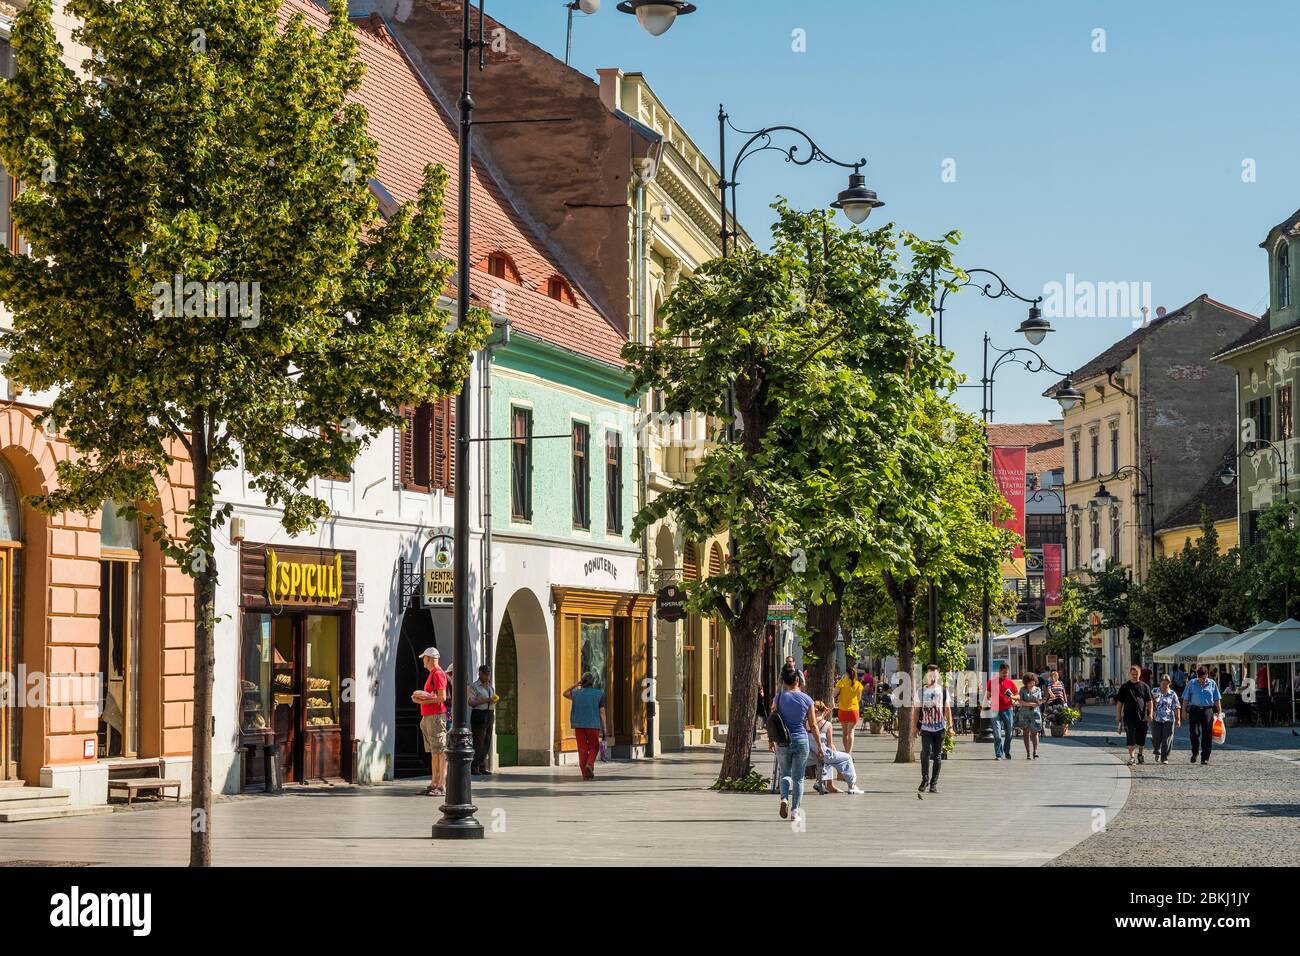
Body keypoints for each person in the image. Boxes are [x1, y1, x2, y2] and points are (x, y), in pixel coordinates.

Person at [769, 664, 823, 821]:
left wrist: (772, 740)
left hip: (783, 740)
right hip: (800, 739)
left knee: (784, 773)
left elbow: (773, 720)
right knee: (798, 778)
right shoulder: (807, 699)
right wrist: (819, 746)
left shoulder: (778, 698)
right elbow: (813, 725)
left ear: (784, 681)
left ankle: (784, 798)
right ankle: (794, 812)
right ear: (798, 680)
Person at [410, 647, 448, 796]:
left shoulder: (438, 674)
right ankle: (434, 782)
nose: (423, 661)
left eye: (424, 658)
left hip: (436, 716)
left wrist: (422, 700)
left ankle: (441, 784)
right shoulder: (432, 674)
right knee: (434, 751)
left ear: (430, 659)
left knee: (440, 750)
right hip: (429, 716)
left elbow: (442, 697)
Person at [915, 664, 953, 794]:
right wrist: (915, 727)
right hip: (926, 728)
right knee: (925, 753)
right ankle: (924, 779)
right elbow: (916, 710)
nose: (932, 677)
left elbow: (947, 709)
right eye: (930, 674)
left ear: (938, 675)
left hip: (940, 727)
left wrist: (950, 726)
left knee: (937, 756)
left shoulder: (943, 691)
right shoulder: (920, 691)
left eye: (934, 674)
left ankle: (933, 783)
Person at [812, 701, 864, 795]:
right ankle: (852, 786)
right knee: (847, 757)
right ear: (824, 711)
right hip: (823, 753)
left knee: (829, 759)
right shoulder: (827, 724)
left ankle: (825, 783)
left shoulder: (807, 722)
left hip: (811, 753)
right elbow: (830, 744)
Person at [563, 673, 607, 780]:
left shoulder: (576, 693)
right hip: (593, 725)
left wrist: (576, 684)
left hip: (578, 725)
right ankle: (590, 764)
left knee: (582, 749)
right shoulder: (599, 694)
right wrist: (605, 728)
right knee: (594, 747)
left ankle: (585, 774)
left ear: (582, 682)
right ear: (593, 682)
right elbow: (602, 712)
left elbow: (565, 693)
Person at [1181, 665, 1223, 766]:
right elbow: (1186, 699)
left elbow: (1217, 699)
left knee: (1207, 735)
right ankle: (1195, 752)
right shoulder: (1192, 683)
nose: (1202, 681)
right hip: (1194, 710)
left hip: (1208, 710)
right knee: (1194, 733)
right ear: (1197, 676)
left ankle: (1205, 757)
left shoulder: (1212, 683)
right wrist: (1183, 711)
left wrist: (1219, 712)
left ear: (1207, 675)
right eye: (1200, 679)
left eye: (1204, 678)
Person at [1115, 664, 1154, 766]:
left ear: (1140, 674)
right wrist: (1118, 716)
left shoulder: (1144, 686)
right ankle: (1132, 757)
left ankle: (1140, 754)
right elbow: (1119, 703)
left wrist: (1150, 713)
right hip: (1129, 716)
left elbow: (1150, 701)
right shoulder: (1125, 687)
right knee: (1130, 736)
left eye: (1136, 674)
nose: (1134, 676)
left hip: (1142, 716)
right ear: (1129, 674)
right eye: (1133, 674)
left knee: (1142, 738)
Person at [467, 664, 497, 776]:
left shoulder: (490, 687)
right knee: (478, 741)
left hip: (489, 713)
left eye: (488, 674)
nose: (487, 676)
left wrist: (492, 701)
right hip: (479, 714)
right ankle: (474, 766)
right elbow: (471, 702)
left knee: (487, 741)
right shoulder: (474, 686)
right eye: (485, 673)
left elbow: (491, 699)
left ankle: (482, 765)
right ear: (480, 673)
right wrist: (486, 700)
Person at [986, 664, 1017, 760]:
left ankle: (1006, 751)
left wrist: (1012, 697)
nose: (1005, 674)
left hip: (1008, 709)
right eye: (1003, 673)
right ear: (999, 671)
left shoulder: (1011, 683)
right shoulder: (992, 682)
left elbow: (1017, 695)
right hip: (995, 710)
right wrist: (988, 700)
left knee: (1009, 734)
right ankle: (998, 754)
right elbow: (988, 695)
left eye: (1007, 673)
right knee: (997, 733)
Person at [834, 666, 865, 754]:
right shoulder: (858, 684)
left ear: (846, 673)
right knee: (851, 732)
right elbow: (859, 698)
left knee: (844, 733)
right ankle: (849, 754)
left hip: (843, 710)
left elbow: (834, 694)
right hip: (854, 710)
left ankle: (846, 751)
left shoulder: (841, 682)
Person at [1151, 673, 1181, 764]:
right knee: (1156, 737)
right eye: (1163, 683)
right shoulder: (1154, 691)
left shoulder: (1172, 694)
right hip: (1156, 718)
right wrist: (1153, 703)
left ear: (1169, 684)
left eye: (1166, 684)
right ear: (1160, 683)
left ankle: (1164, 757)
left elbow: (1176, 707)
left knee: (1167, 739)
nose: (1164, 685)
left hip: (1169, 719)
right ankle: (1157, 750)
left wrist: (1178, 719)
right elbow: (1149, 703)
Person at [1015, 672, 1045, 759]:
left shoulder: (1038, 690)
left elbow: (1039, 701)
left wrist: (1041, 701)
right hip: (1025, 714)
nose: (1033, 683)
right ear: (1026, 682)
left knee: (1035, 733)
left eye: (1034, 681)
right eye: (1031, 682)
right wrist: (1031, 704)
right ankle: (1028, 753)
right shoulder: (1022, 690)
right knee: (1026, 733)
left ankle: (1035, 751)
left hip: (1035, 714)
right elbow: (1020, 702)